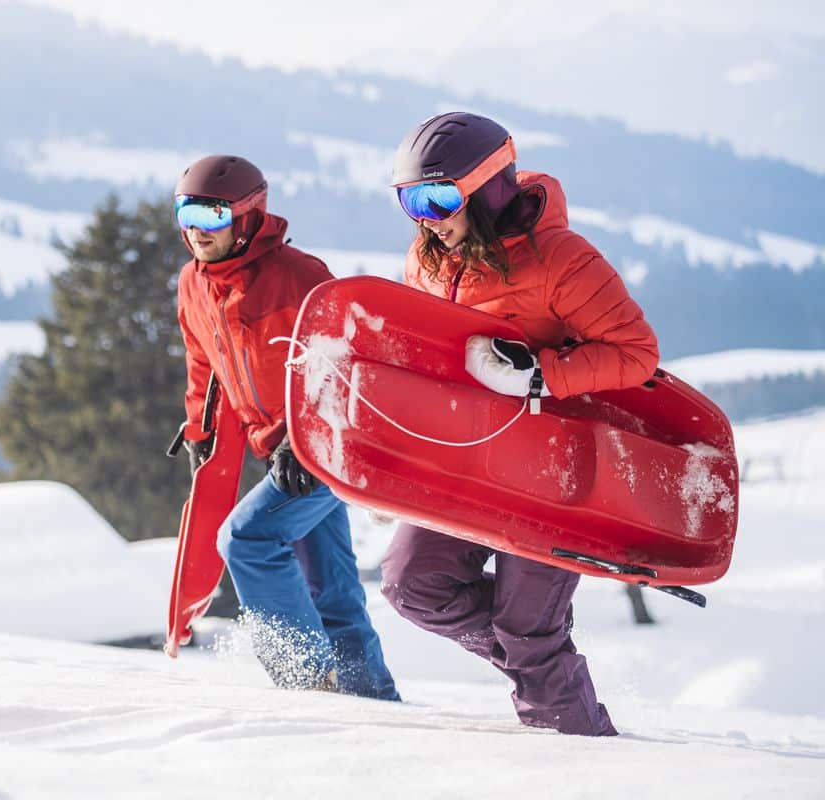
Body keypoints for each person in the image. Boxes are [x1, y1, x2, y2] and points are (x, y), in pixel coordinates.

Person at [379, 112, 661, 735]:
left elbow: (637, 353)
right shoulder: (426, 260)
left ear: (485, 189)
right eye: (410, 199)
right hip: (471, 464)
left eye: (439, 196)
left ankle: (577, 762)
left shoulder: (562, 258)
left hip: (554, 473)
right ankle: (541, 667)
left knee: (528, 630)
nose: (426, 216)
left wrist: (539, 373)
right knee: (412, 585)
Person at [173, 154, 398, 700]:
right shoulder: (194, 284)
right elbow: (203, 361)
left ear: (248, 216)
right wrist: (200, 430)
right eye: (187, 213)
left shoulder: (299, 278)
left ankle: (303, 680)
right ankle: (374, 707)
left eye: (213, 215)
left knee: (246, 539)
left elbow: (347, 368)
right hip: (277, 449)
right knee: (333, 593)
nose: (198, 231)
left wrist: (306, 440)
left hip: (330, 446)